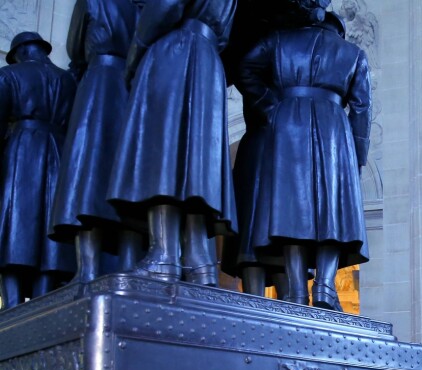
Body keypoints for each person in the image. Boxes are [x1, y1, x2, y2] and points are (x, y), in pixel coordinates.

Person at [236, 7, 371, 310]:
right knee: (332, 212)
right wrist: (357, 157)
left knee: (292, 212)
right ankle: (324, 286)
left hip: (288, 125)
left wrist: (271, 108)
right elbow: (362, 109)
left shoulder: (279, 40)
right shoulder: (353, 53)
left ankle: (297, 290)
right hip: (335, 128)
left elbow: (247, 68)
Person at [107, 0, 237, 286]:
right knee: (196, 164)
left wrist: (135, 53)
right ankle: (199, 260)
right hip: (209, 57)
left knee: (162, 153)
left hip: (174, 51)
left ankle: (163, 255)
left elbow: (166, 5)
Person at [50, 0, 145, 283]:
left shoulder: (92, 0)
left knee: (86, 182)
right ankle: (129, 267)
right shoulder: (142, 6)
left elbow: (74, 49)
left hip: (98, 88)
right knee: (129, 185)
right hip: (133, 89)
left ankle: (87, 270)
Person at [0, 31, 77, 308]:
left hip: (21, 152)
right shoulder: (67, 80)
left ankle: (11, 306)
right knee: (48, 228)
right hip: (58, 152)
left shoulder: (9, 75)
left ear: (19, 52)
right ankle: (41, 303)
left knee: (13, 225)